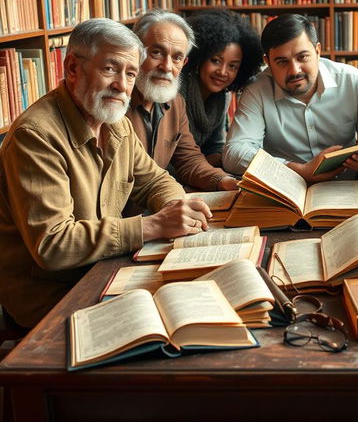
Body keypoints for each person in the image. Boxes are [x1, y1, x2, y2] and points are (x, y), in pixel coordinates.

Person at [0, 19, 214, 328]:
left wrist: (174, 206)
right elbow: (53, 245)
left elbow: (155, 179)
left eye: (130, 74)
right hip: (53, 298)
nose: (122, 86)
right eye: (110, 70)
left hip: (105, 272)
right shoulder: (36, 136)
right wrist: (151, 226)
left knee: (196, 305)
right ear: (73, 68)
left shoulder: (116, 123)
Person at [222, 13, 358, 180]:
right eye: (282, 62)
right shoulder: (256, 89)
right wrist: (297, 170)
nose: (295, 70)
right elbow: (234, 153)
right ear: (268, 62)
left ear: (317, 51)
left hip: (349, 188)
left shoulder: (351, 81)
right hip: (287, 190)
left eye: (302, 57)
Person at [128, 10, 237, 191]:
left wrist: (223, 180)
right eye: (156, 53)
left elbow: (189, 160)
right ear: (136, 52)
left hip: (159, 203)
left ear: (184, 63)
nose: (167, 67)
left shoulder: (176, 103)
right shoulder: (115, 104)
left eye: (177, 57)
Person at [179, 10, 263, 165]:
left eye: (232, 66)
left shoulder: (223, 96)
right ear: (201, 57)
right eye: (216, 61)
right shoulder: (178, 90)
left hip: (198, 172)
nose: (223, 72)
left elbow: (215, 146)